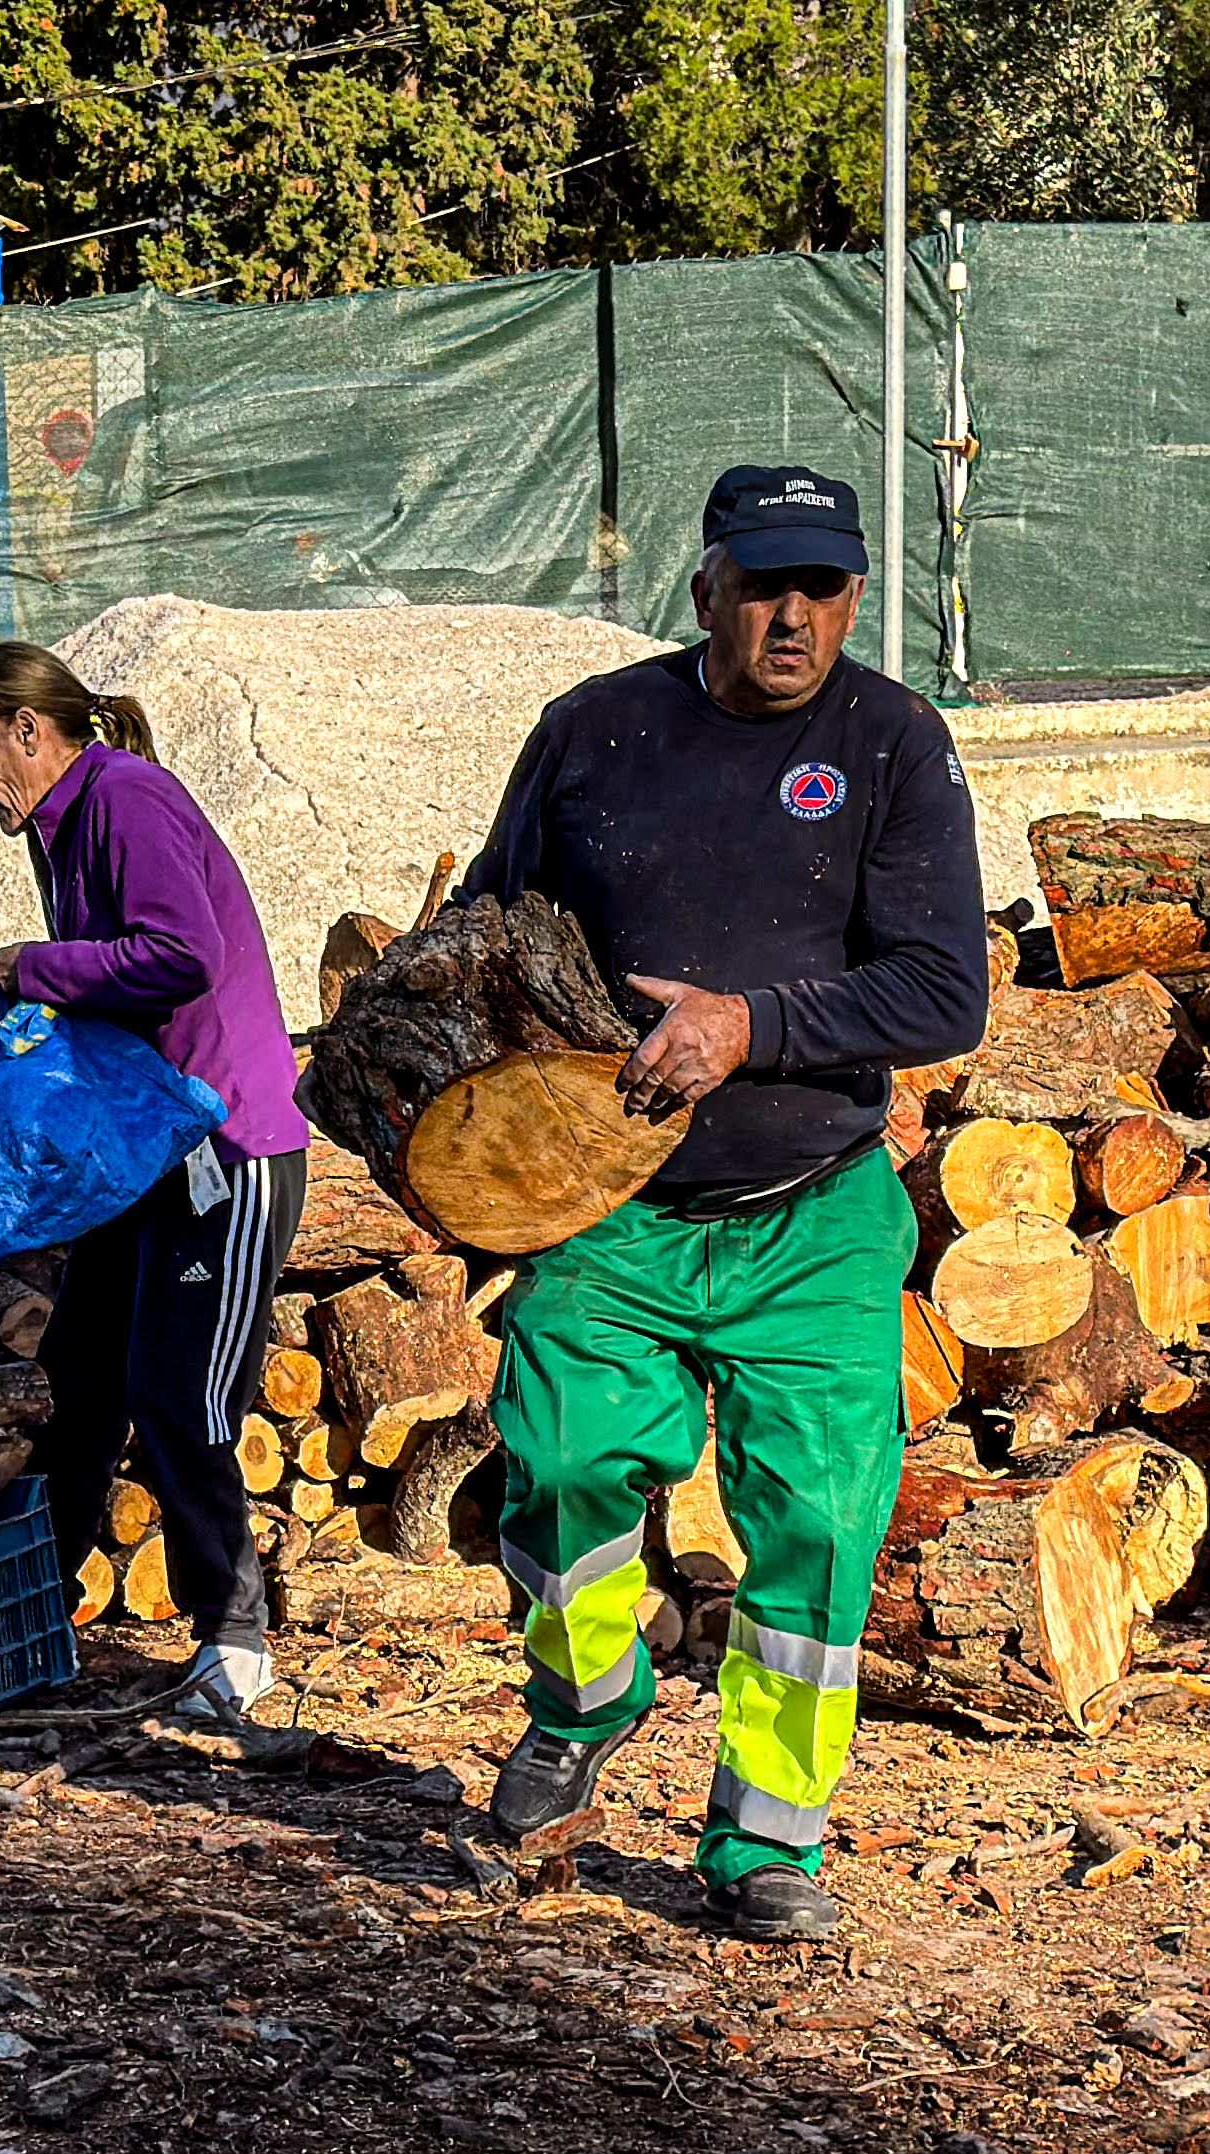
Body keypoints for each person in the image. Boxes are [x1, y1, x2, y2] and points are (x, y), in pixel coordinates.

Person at [463, 465, 989, 1941]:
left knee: (819, 1522)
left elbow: (943, 987)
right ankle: (581, 1698)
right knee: (559, 1468)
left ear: (854, 598)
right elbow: (488, 936)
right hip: (609, 1209)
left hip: (811, 1204)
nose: (790, 616)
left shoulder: (891, 742)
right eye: (762, 584)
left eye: (820, 588)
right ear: (703, 589)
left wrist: (743, 1027)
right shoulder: (592, 735)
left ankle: (764, 1841)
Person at [0, 641, 311, 1720]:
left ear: (28, 731)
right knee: (80, 1375)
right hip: (147, 1149)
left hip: (224, 1147)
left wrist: (28, 965)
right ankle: (28, 1626)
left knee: (179, 1394)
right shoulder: (69, 816)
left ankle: (235, 1644)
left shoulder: (127, 800)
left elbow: (177, 955)